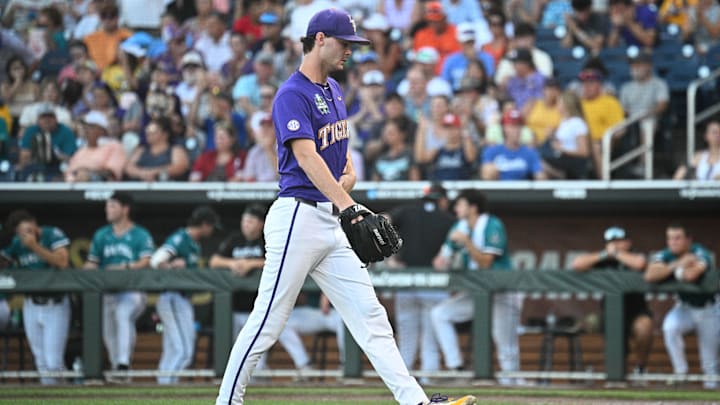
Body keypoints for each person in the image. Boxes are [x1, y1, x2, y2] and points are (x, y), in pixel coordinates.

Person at [215, 8, 476, 405]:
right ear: (319, 39)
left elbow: (345, 166)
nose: (350, 51)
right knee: (267, 322)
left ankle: (416, 402)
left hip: (329, 219)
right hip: (296, 218)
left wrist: (345, 199)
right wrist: (351, 207)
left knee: (371, 317)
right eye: (345, 43)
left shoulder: (335, 91)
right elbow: (307, 158)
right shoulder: (292, 94)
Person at [430, 189, 523, 386]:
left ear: (473, 207)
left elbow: (485, 263)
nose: (456, 208)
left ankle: (513, 383)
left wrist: (466, 241)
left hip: (502, 291)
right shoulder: (459, 225)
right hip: (476, 292)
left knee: (504, 340)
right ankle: (457, 368)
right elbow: (442, 258)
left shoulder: (492, 224)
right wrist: (443, 259)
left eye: (460, 204)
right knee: (440, 313)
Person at [388, 184, 455, 385]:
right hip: (434, 282)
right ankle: (428, 377)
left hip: (406, 279)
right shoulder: (449, 219)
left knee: (406, 337)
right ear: (442, 200)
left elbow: (383, 221)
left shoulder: (407, 211)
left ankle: (402, 380)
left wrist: (391, 256)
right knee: (430, 338)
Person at [83, 191, 155, 379]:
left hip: (132, 291)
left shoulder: (140, 234)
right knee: (109, 332)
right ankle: (118, 368)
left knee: (123, 314)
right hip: (108, 292)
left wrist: (125, 266)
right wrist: (84, 270)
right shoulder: (102, 235)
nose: (108, 209)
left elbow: (147, 260)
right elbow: (93, 262)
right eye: (107, 205)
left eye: (113, 205)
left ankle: (123, 364)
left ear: (125, 209)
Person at [644, 223, 719, 389]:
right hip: (684, 307)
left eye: (678, 238)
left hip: (708, 309)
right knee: (670, 327)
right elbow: (650, 275)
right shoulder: (667, 254)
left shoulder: (700, 251)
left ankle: (711, 393)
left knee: (710, 364)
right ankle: (681, 372)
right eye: (670, 238)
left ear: (688, 240)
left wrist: (670, 271)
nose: (673, 242)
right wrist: (678, 265)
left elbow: (692, 275)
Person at [151, 205, 220, 384]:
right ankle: (165, 393)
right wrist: (172, 266)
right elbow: (156, 260)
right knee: (184, 352)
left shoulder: (193, 243)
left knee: (173, 349)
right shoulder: (181, 237)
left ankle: (160, 389)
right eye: (211, 226)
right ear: (204, 224)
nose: (211, 231)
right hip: (172, 296)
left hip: (182, 299)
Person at [0, 210, 70, 385]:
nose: (24, 235)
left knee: (53, 361)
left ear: (34, 222)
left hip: (55, 303)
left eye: (26, 229)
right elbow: (3, 261)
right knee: (40, 359)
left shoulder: (51, 233)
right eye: (20, 232)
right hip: (31, 304)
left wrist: (34, 247)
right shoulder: (17, 243)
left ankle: (63, 397)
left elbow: (62, 262)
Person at [571, 226, 652, 376]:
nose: (614, 244)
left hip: (636, 311)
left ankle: (640, 368)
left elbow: (640, 264)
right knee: (591, 322)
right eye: (611, 242)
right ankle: (610, 372)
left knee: (644, 327)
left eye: (618, 241)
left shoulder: (634, 256)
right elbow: (577, 264)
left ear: (628, 242)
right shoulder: (604, 260)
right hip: (611, 313)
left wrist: (617, 253)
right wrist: (604, 254)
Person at [481, 109, 545, 180]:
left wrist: (540, 172)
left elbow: (540, 176)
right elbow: (486, 174)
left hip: (522, 189)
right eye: (512, 126)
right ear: (504, 128)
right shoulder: (492, 151)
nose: (516, 130)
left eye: (518, 126)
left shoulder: (530, 152)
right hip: (499, 188)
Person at [65, 111, 127, 182]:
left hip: (101, 190)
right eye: (85, 127)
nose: (86, 129)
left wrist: (90, 174)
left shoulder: (114, 146)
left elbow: (111, 174)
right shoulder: (81, 151)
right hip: (74, 189)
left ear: (102, 130)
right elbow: (68, 172)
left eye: (91, 126)